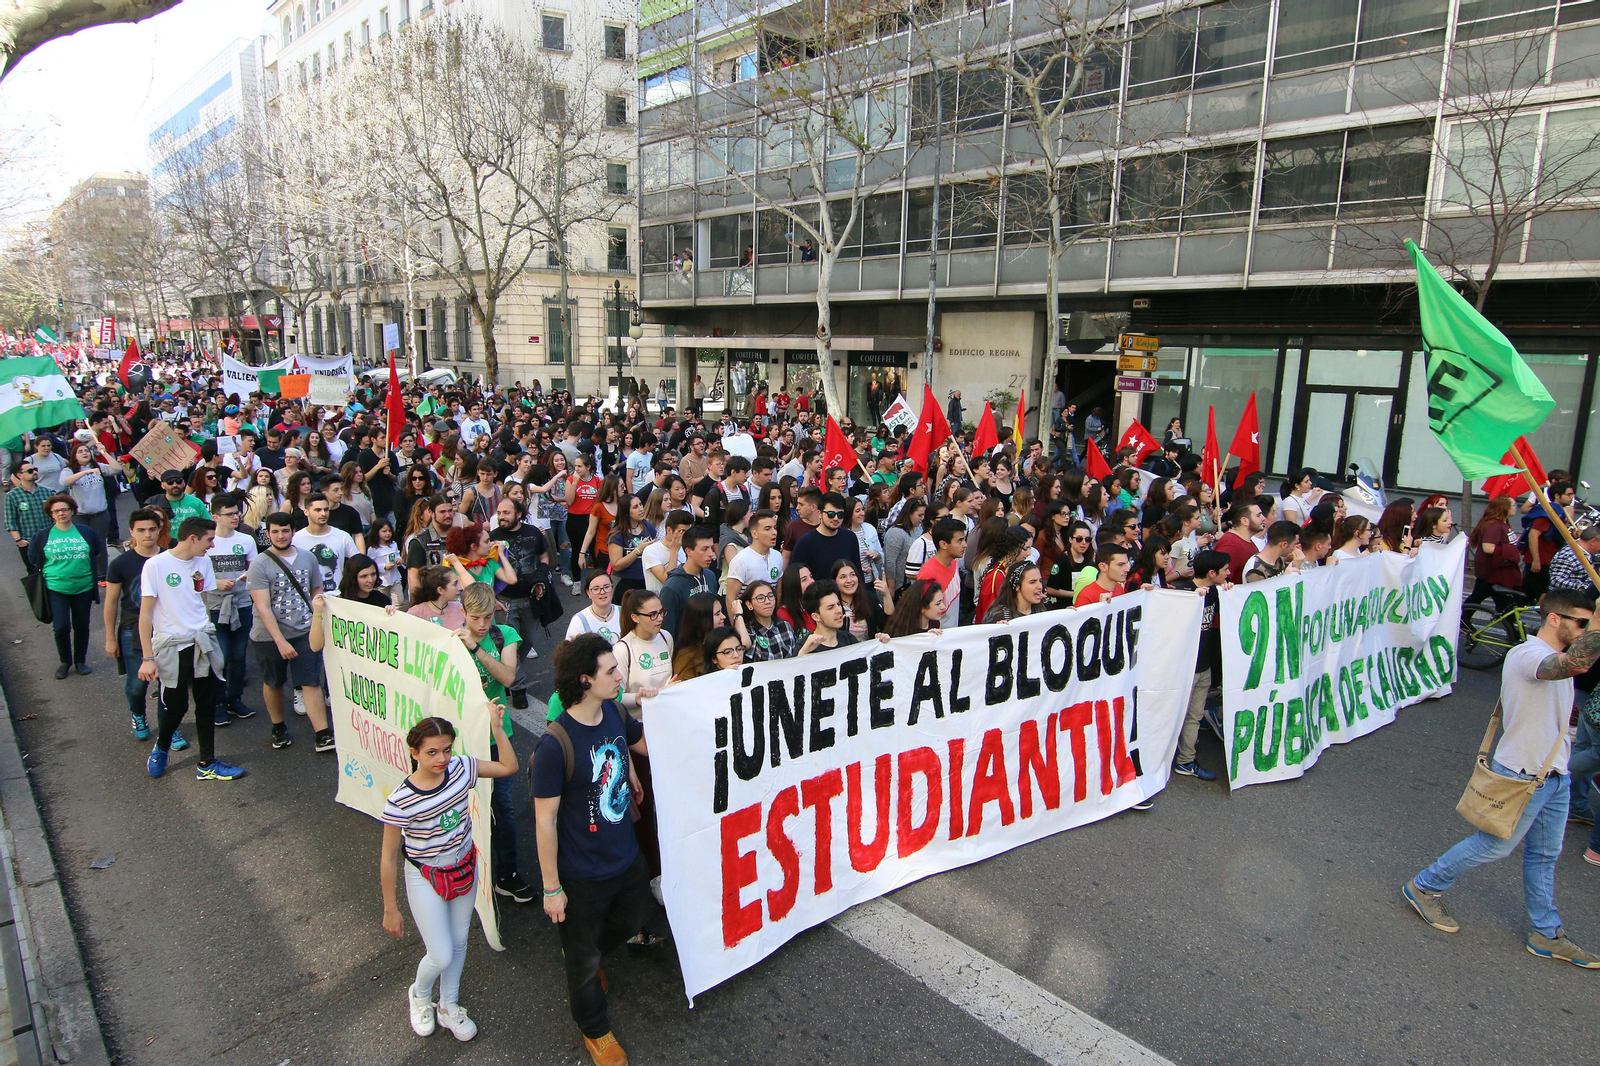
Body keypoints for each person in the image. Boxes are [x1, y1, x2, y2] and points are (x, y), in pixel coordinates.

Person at [1403, 589, 1600, 967]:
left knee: (1544, 856)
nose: (1585, 629)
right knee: (1494, 846)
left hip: (1553, 774)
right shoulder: (1527, 654)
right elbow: (1574, 664)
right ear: (1554, 619)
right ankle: (1424, 886)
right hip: (1523, 774)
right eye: (1581, 622)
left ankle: (1546, 933)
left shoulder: (1555, 653)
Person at [533, 634, 658, 1066]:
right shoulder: (554, 744)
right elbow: (545, 821)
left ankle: (581, 949)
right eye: (611, 671)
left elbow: (645, 745)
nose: (620, 675)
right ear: (585, 680)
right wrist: (552, 888)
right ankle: (596, 1030)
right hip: (582, 872)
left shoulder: (616, 712)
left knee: (632, 916)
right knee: (585, 964)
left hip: (625, 856)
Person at [380, 714, 519, 1042]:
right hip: (425, 875)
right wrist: (390, 908)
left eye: (446, 749)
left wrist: (497, 730)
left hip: (464, 867)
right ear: (414, 752)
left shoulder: (462, 767)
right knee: (440, 953)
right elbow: (387, 857)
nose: (441, 759)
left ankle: (449, 1006)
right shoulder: (400, 801)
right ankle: (420, 994)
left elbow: (508, 767)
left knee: (458, 944)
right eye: (431, 752)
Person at [138, 516, 246, 781]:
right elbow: (145, 614)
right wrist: (147, 657)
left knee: (207, 703)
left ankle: (207, 762)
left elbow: (203, 599)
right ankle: (161, 747)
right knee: (175, 706)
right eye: (209, 539)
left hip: (202, 642)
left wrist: (205, 628)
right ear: (192, 538)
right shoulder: (156, 565)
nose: (212, 545)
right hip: (173, 646)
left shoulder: (204, 562)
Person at [247, 512, 337, 752]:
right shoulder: (259, 563)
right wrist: (280, 642)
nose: (280, 535)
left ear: (292, 532)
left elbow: (316, 589)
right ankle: (278, 726)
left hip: (305, 631)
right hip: (269, 637)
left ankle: (322, 733)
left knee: (310, 682)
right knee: (274, 682)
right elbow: (262, 607)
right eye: (275, 531)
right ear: (267, 534)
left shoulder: (307, 558)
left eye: (285, 530)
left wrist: (319, 621)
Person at [104, 508, 170, 741]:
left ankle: (169, 727)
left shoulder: (169, 557)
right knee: (137, 684)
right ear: (131, 531)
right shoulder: (121, 564)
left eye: (152, 529)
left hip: (166, 627)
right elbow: (111, 602)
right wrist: (111, 638)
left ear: (160, 528)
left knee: (168, 683)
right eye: (141, 530)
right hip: (132, 627)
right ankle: (138, 715)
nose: (147, 535)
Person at [29, 494, 107, 680]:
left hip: (83, 586)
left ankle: (80, 661)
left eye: (64, 509)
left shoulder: (86, 532)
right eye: (56, 511)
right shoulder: (42, 536)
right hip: (55, 588)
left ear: (72, 511)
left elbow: (96, 551)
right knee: (61, 627)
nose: (61, 513)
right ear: (51, 514)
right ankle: (65, 661)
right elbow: (34, 559)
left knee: (81, 625)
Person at [1170, 549, 1229, 781]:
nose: (1229, 573)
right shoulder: (1181, 592)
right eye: (1225, 570)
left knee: (1194, 716)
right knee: (1172, 714)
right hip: (1182, 669)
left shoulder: (1215, 591)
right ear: (1212, 572)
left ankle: (1185, 760)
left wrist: (1229, 593)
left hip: (1203, 667)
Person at [203, 492, 258, 723]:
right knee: (221, 656)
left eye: (237, 513)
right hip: (214, 606)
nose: (235, 517)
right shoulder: (207, 542)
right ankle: (218, 703)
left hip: (241, 604)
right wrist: (214, 582)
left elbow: (254, 568)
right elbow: (194, 574)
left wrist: (248, 577)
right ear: (215, 516)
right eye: (229, 514)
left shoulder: (246, 540)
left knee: (238, 656)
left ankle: (235, 699)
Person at [294, 493, 359, 595]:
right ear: (306, 512)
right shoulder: (296, 539)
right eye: (317, 510)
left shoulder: (342, 536)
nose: (323, 514)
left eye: (326, 509)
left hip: (337, 597)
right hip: (307, 599)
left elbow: (358, 564)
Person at [659, 525, 716, 637]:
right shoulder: (672, 587)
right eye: (704, 549)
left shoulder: (710, 576)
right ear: (688, 551)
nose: (711, 554)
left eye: (712, 548)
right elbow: (667, 630)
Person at [915, 517, 967, 630]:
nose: (965, 545)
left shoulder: (954, 563)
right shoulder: (928, 573)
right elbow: (921, 612)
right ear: (943, 544)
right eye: (960, 541)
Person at [405, 493, 458, 600]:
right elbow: (413, 579)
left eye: (450, 510)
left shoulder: (461, 537)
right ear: (431, 512)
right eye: (442, 512)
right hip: (433, 602)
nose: (448, 515)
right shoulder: (419, 542)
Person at [739, 580, 799, 661]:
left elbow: (796, 656)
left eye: (770, 596)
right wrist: (738, 614)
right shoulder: (748, 631)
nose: (767, 602)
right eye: (760, 598)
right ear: (749, 604)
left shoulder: (785, 626)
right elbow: (744, 645)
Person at [5, 459, 49, 569]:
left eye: (35, 469)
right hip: (28, 541)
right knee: (33, 572)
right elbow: (10, 520)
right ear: (19, 475)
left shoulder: (47, 492)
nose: (34, 472)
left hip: (49, 539)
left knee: (53, 570)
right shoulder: (12, 496)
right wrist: (19, 540)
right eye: (30, 471)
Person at [1215, 500, 1265, 584]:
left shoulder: (1244, 540)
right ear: (1244, 521)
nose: (1263, 518)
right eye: (1258, 515)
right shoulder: (1230, 546)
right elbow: (1219, 581)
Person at [981, 560, 1046, 624]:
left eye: (1040, 581)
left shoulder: (1042, 612)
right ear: (1017, 586)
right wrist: (996, 631)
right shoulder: (998, 615)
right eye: (1032, 582)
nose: (1039, 586)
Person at [1547, 524, 1600, 597]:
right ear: (1593, 541)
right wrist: (1584, 588)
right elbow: (1556, 580)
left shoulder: (1588, 553)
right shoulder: (1568, 555)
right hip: (1565, 600)